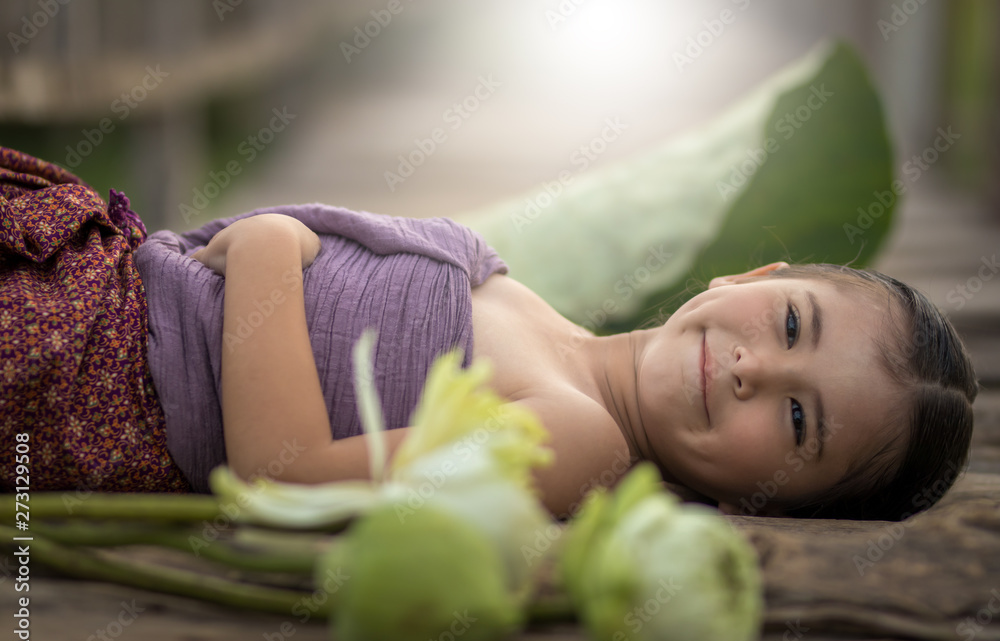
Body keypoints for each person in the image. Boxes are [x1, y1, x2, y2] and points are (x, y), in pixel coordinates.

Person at [0, 146, 978, 522]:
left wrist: (263, 252)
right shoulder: (516, 295)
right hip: (91, 263)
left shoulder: (582, 445)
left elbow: (282, 477)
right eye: (791, 323)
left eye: (799, 421)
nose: (753, 368)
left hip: (93, 371)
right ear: (752, 278)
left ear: (768, 504)